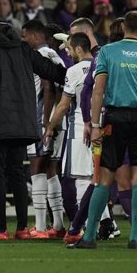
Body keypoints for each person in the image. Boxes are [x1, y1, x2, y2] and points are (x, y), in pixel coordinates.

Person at [70, 11, 137, 249]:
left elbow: (97, 91)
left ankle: (89, 237)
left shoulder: (108, 52)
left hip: (114, 117)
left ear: (123, 27)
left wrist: (93, 124)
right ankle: (135, 238)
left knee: (103, 178)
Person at [0, 17, 66, 240]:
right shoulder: (23, 48)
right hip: (24, 122)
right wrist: (74, 72)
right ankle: (22, 228)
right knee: (16, 173)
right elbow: (50, 71)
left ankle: (1, 229)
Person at [43, 32, 94, 239]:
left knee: (81, 179)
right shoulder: (102, 65)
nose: (69, 52)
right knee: (97, 179)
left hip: (81, 127)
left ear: (79, 49)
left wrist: (49, 126)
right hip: (103, 126)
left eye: (70, 49)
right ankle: (102, 224)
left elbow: (64, 105)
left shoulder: (74, 70)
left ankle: (86, 227)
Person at [20, 20, 66, 239]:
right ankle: (57, 225)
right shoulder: (56, 56)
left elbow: (48, 89)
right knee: (51, 170)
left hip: (42, 119)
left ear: (36, 36)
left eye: (25, 36)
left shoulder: (42, 56)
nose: (24, 40)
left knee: (37, 168)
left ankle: (39, 227)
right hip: (59, 120)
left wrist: (46, 121)